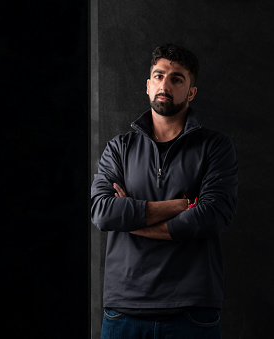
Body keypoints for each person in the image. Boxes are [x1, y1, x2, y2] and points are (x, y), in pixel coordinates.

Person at [91, 43, 239, 338]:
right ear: (148, 86)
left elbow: (213, 215)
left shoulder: (215, 147)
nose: (165, 84)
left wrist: (132, 221)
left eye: (177, 78)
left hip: (192, 312)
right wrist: (178, 205)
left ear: (191, 92)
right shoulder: (119, 148)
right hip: (124, 311)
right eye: (158, 76)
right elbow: (103, 212)